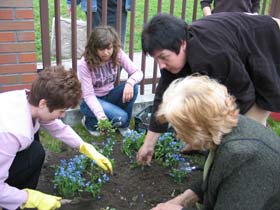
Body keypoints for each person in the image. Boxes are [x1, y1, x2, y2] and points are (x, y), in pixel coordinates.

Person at [136, 13, 280, 164]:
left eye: (164, 57)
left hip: (269, 39)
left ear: (182, 43)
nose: (161, 65)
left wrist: (225, 140)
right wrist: (148, 145)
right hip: (237, 39)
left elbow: (244, 98)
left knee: (247, 133)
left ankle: (259, 162)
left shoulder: (213, 55)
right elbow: (162, 100)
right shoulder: (177, 55)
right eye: (156, 59)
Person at [151, 75, 280, 210]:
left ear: (198, 127)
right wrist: (183, 199)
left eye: (179, 129)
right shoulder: (228, 128)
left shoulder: (243, 157)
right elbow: (218, 177)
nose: (178, 136)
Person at [0, 66, 112, 210]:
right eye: (61, 111)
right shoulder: (12, 132)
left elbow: (56, 126)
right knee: (34, 152)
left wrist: (83, 146)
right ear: (43, 103)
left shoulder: (26, 99)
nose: (62, 115)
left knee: (35, 151)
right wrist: (30, 198)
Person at [78, 25, 143, 136]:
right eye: (101, 49)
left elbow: (138, 72)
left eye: (109, 48)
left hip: (109, 96)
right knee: (121, 117)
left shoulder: (117, 53)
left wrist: (130, 82)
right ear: (94, 48)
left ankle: (123, 126)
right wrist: (101, 116)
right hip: (91, 101)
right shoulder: (84, 64)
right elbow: (88, 95)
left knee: (134, 88)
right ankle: (89, 121)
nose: (106, 53)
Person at [66, 0, 131, 48]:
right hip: (95, 6)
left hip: (119, 5)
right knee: (96, 41)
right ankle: (94, 64)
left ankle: (116, 65)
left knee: (116, 42)